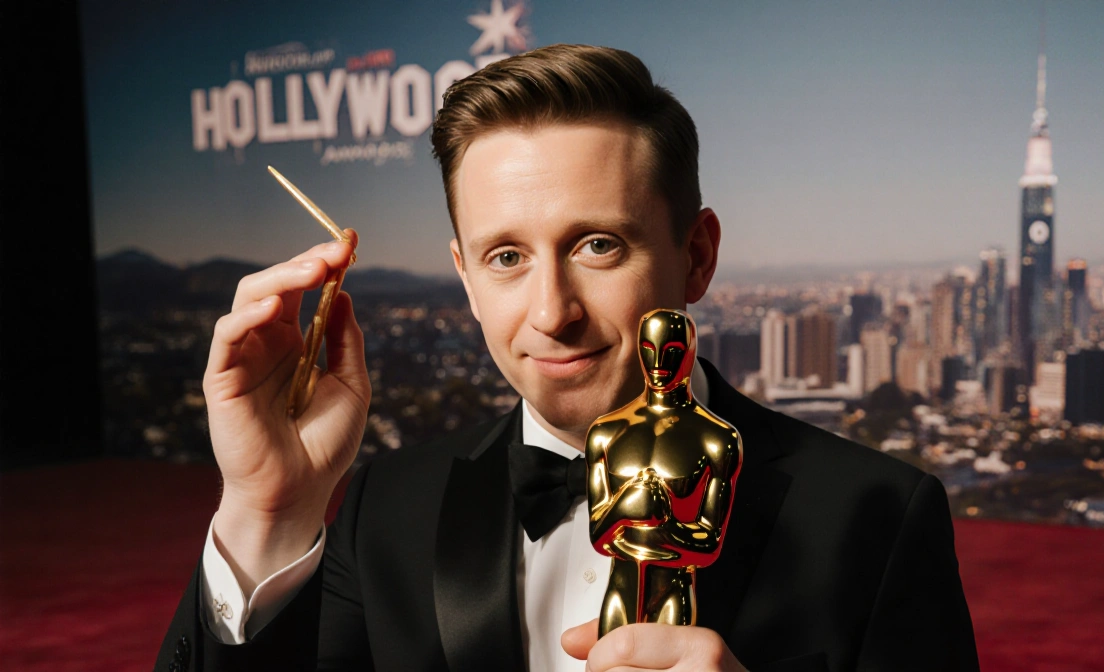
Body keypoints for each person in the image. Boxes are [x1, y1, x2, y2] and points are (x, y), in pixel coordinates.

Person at [155, 44, 978, 672]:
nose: (552, 313)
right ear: (466, 280)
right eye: (506, 257)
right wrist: (267, 511)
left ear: (696, 256)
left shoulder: (879, 515)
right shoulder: (389, 507)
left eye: (597, 244)